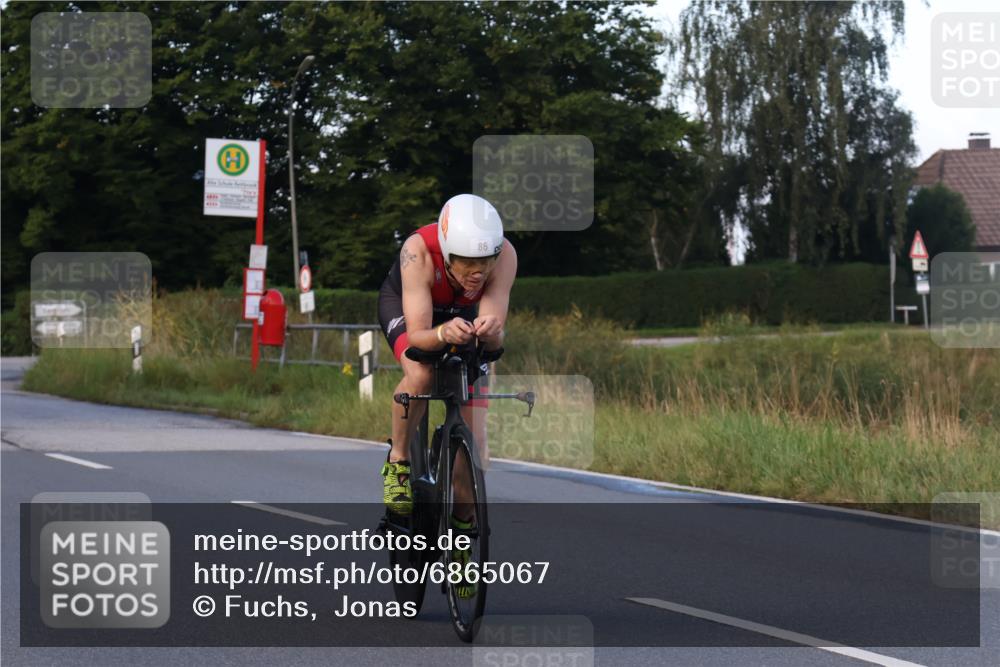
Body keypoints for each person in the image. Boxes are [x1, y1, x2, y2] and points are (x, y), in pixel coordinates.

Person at [376, 194, 517, 520]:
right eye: (467, 263)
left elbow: (493, 343)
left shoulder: (506, 255)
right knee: (421, 374)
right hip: (408, 307)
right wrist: (441, 334)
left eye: (485, 263)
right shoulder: (417, 251)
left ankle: (463, 535)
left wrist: (492, 330)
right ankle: (397, 462)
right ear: (446, 251)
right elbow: (419, 336)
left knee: (477, 447)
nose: (477, 274)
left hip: (461, 313)